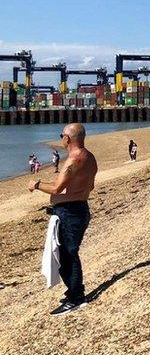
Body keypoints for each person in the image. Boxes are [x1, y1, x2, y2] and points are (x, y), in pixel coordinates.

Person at [28, 123, 98, 315]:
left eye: (62, 135)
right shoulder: (90, 158)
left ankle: (76, 297)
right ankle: (74, 292)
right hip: (81, 209)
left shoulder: (73, 160)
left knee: (67, 255)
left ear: (68, 138)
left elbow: (56, 189)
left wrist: (36, 184)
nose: (61, 138)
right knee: (66, 254)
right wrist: (73, 192)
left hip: (69, 213)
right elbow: (89, 185)